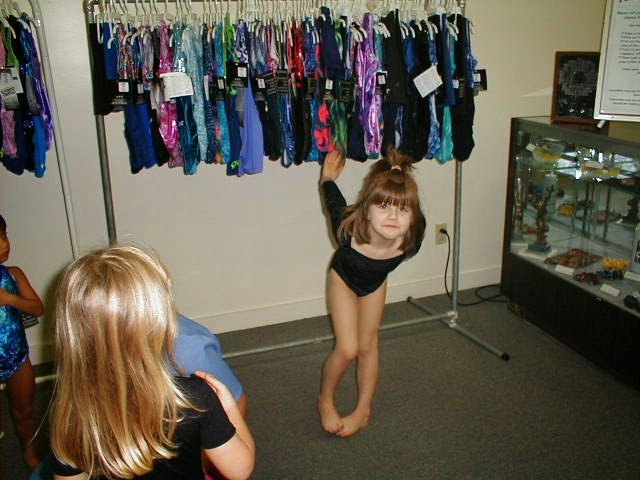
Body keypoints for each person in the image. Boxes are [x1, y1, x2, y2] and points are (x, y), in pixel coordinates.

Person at [49, 245, 255, 480]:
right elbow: (240, 470)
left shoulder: (71, 416)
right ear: (158, 319)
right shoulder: (195, 398)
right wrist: (227, 405)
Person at [317, 148, 426, 437]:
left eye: (403, 209)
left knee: (368, 346)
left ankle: (363, 411)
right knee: (348, 348)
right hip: (343, 279)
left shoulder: (412, 239)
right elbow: (334, 202)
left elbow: (408, 215)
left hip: (375, 283)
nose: (393, 216)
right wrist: (327, 179)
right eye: (384, 206)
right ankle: (325, 399)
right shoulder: (347, 230)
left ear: (413, 217)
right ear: (366, 208)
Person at [0, 213, 44, 470]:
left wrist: (10, 299)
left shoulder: (13, 275)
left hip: (17, 356)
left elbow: (37, 308)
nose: (4, 244)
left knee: (24, 412)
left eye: (4, 235)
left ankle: (29, 452)